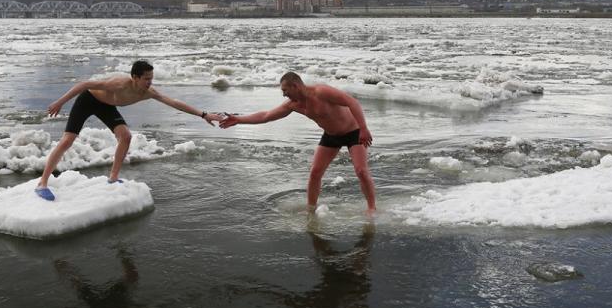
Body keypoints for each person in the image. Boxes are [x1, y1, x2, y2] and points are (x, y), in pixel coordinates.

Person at [35, 59, 222, 200]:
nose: (149, 83)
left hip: (106, 106)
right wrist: (60, 102)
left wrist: (203, 114)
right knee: (68, 140)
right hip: (88, 100)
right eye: (146, 79)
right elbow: (84, 84)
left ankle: (113, 178)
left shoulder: (149, 92)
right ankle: (42, 183)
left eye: (151, 79)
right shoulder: (118, 84)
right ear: (135, 77)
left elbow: (174, 102)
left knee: (125, 136)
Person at [219, 71, 376, 212]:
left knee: (361, 171)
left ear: (295, 86)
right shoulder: (293, 105)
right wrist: (238, 119)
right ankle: (311, 208)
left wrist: (363, 128)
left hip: (354, 132)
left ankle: (371, 208)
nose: (284, 95)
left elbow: (352, 102)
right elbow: (266, 116)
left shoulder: (321, 92)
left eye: (285, 90)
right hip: (331, 135)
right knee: (315, 172)